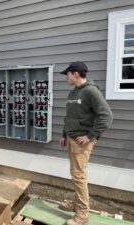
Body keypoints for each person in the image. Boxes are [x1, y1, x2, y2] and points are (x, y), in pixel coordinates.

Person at [59, 61, 113, 225]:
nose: (66, 77)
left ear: (75, 74)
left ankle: (82, 215)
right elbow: (70, 117)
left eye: (67, 74)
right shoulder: (73, 93)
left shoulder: (91, 91)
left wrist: (91, 136)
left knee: (79, 176)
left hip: (81, 142)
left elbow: (107, 116)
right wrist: (64, 134)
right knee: (76, 176)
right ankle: (77, 204)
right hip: (71, 139)